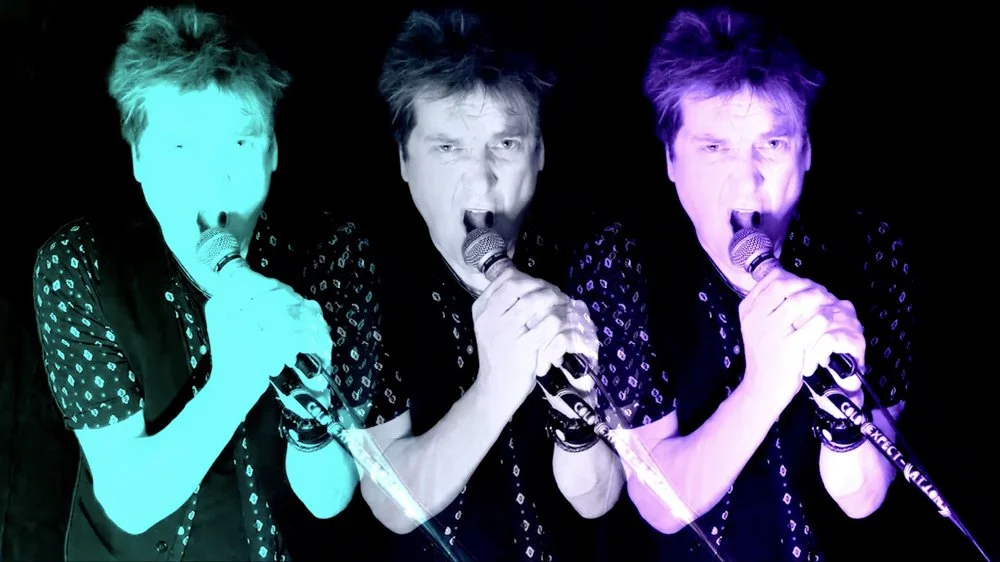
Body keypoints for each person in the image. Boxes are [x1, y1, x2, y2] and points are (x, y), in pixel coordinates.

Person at [568, 7, 916, 562]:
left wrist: (845, 412)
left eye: (772, 144)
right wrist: (765, 385)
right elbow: (658, 501)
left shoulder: (868, 248)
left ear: (805, 152)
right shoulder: (619, 260)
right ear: (671, 160)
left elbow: (864, 498)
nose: (747, 181)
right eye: (714, 148)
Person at [31, 6, 367, 560]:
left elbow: (329, 499)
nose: (214, 180)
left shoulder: (331, 250)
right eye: (181, 148)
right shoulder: (78, 264)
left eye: (239, 144)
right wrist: (235, 382)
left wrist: (310, 410)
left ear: (273, 151)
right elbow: (130, 501)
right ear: (139, 159)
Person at [354, 8, 625, 562]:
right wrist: (497, 387)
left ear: (539, 152)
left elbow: (599, 500)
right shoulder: (367, 270)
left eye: (505, 145)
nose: (480, 179)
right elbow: (390, 504)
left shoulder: (590, 256)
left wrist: (575, 417)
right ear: (404, 159)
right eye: (447, 148)